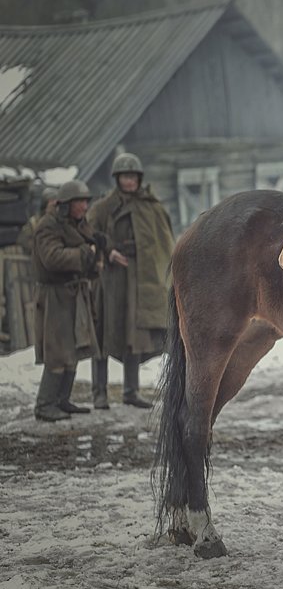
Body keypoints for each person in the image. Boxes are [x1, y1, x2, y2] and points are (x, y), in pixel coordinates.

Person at [87, 153, 175, 409]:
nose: (130, 181)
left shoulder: (150, 206)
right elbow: (88, 233)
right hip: (111, 278)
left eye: (133, 176)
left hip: (140, 278)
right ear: (117, 179)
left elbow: (163, 240)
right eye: (125, 176)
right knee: (104, 333)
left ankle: (131, 391)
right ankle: (99, 393)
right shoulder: (103, 207)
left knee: (134, 334)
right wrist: (108, 251)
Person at [31, 180, 103, 422]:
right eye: (79, 202)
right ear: (66, 204)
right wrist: (85, 253)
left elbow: (89, 249)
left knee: (72, 348)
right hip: (55, 296)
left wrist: (96, 253)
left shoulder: (78, 224)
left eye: (85, 201)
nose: (84, 206)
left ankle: (62, 400)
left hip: (75, 294)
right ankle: (44, 405)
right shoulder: (48, 225)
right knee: (57, 351)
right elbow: (52, 258)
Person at [17, 183, 59, 256]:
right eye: (52, 205)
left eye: (56, 205)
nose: (54, 208)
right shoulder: (34, 222)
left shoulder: (61, 221)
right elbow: (23, 241)